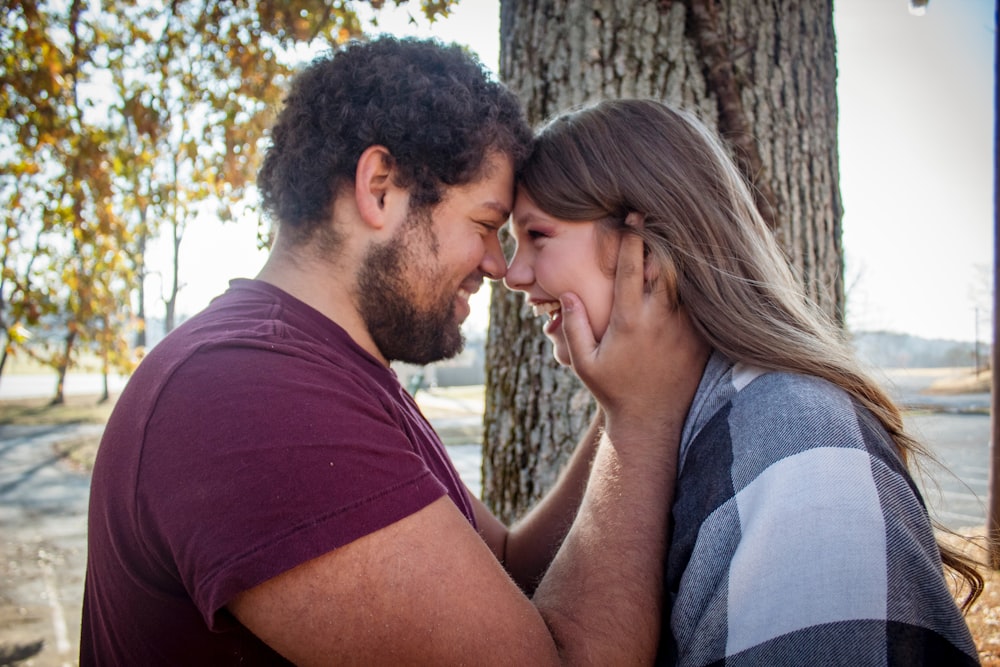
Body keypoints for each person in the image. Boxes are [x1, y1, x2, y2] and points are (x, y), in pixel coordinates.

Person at [80, 37, 708, 665]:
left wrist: (626, 386)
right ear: (379, 188)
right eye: (487, 226)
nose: (498, 267)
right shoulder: (248, 396)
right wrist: (641, 421)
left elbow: (510, 566)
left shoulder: (328, 372)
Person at [504, 98, 983, 666]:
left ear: (645, 246)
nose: (512, 274)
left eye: (537, 236)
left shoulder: (799, 440)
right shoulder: (684, 409)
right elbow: (515, 570)